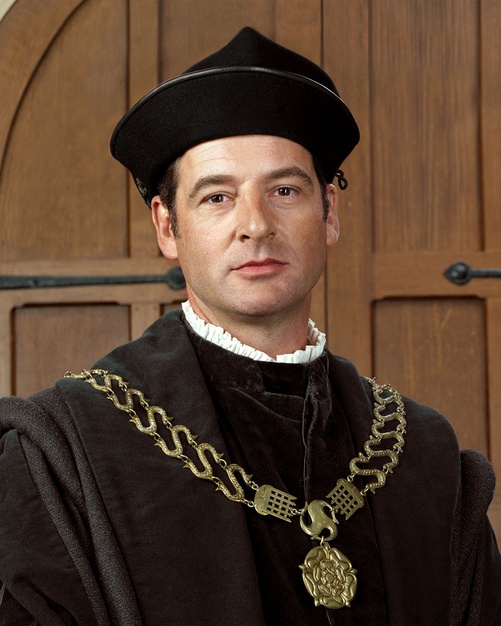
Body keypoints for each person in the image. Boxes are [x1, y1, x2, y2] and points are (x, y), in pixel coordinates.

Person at [0, 27, 500, 626]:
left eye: (284, 190)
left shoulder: (424, 455)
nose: (255, 225)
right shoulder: (65, 450)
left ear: (329, 212)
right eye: (217, 197)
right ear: (167, 227)